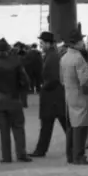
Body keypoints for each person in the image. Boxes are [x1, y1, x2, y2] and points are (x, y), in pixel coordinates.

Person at [0, 38, 33, 163]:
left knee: (3, 130)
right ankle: (21, 154)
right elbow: (25, 81)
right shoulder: (15, 62)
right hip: (14, 98)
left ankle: (6, 156)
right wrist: (21, 93)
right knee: (18, 127)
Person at [30, 32, 73, 160]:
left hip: (53, 97)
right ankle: (41, 149)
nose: (40, 45)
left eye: (42, 43)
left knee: (60, 124)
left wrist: (44, 87)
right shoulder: (51, 55)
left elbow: (54, 77)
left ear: (49, 43)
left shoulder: (52, 57)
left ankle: (75, 147)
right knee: (51, 125)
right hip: (54, 97)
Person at [59, 30, 88, 165]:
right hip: (81, 96)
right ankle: (79, 156)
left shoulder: (64, 57)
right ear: (76, 43)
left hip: (69, 95)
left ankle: (70, 155)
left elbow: (61, 79)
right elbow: (84, 81)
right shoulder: (79, 58)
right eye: (81, 41)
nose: (83, 43)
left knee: (71, 126)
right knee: (81, 127)